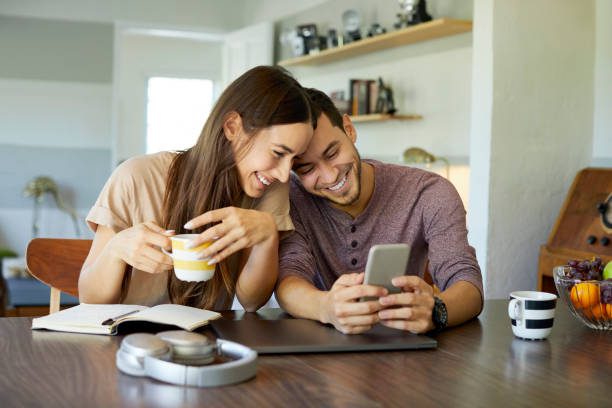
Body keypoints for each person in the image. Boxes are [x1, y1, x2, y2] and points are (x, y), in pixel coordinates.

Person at [79, 66, 313, 312]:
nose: (284, 173)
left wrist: (267, 236)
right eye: (278, 153)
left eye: (294, 159)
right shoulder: (136, 177)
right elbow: (89, 298)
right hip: (130, 341)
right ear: (232, 127)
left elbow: (252, 301)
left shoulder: (269, 187)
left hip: (207, 341)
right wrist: (116, 250)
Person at [276, 88, 483, 334]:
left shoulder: (429, 192)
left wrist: (436, 311)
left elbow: (467, 282)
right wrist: (326, 307)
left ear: (349, 129)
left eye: (332, 153)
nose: (330, 175)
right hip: (317, 354)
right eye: (307, 169)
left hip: (404, 351)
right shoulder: (292, 200)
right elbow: (288, 279)